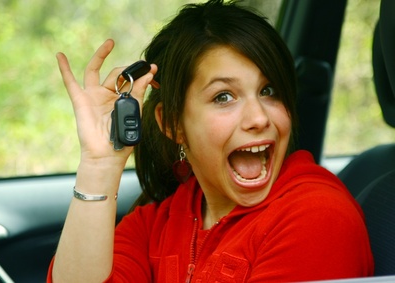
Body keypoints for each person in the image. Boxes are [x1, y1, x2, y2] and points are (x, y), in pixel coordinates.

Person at [48, 0, 374, 282]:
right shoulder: (156, 223)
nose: (259, 118)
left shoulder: (317, 217)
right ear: (173, 124)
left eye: (268, 91)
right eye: (224, 96)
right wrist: (99, 165)